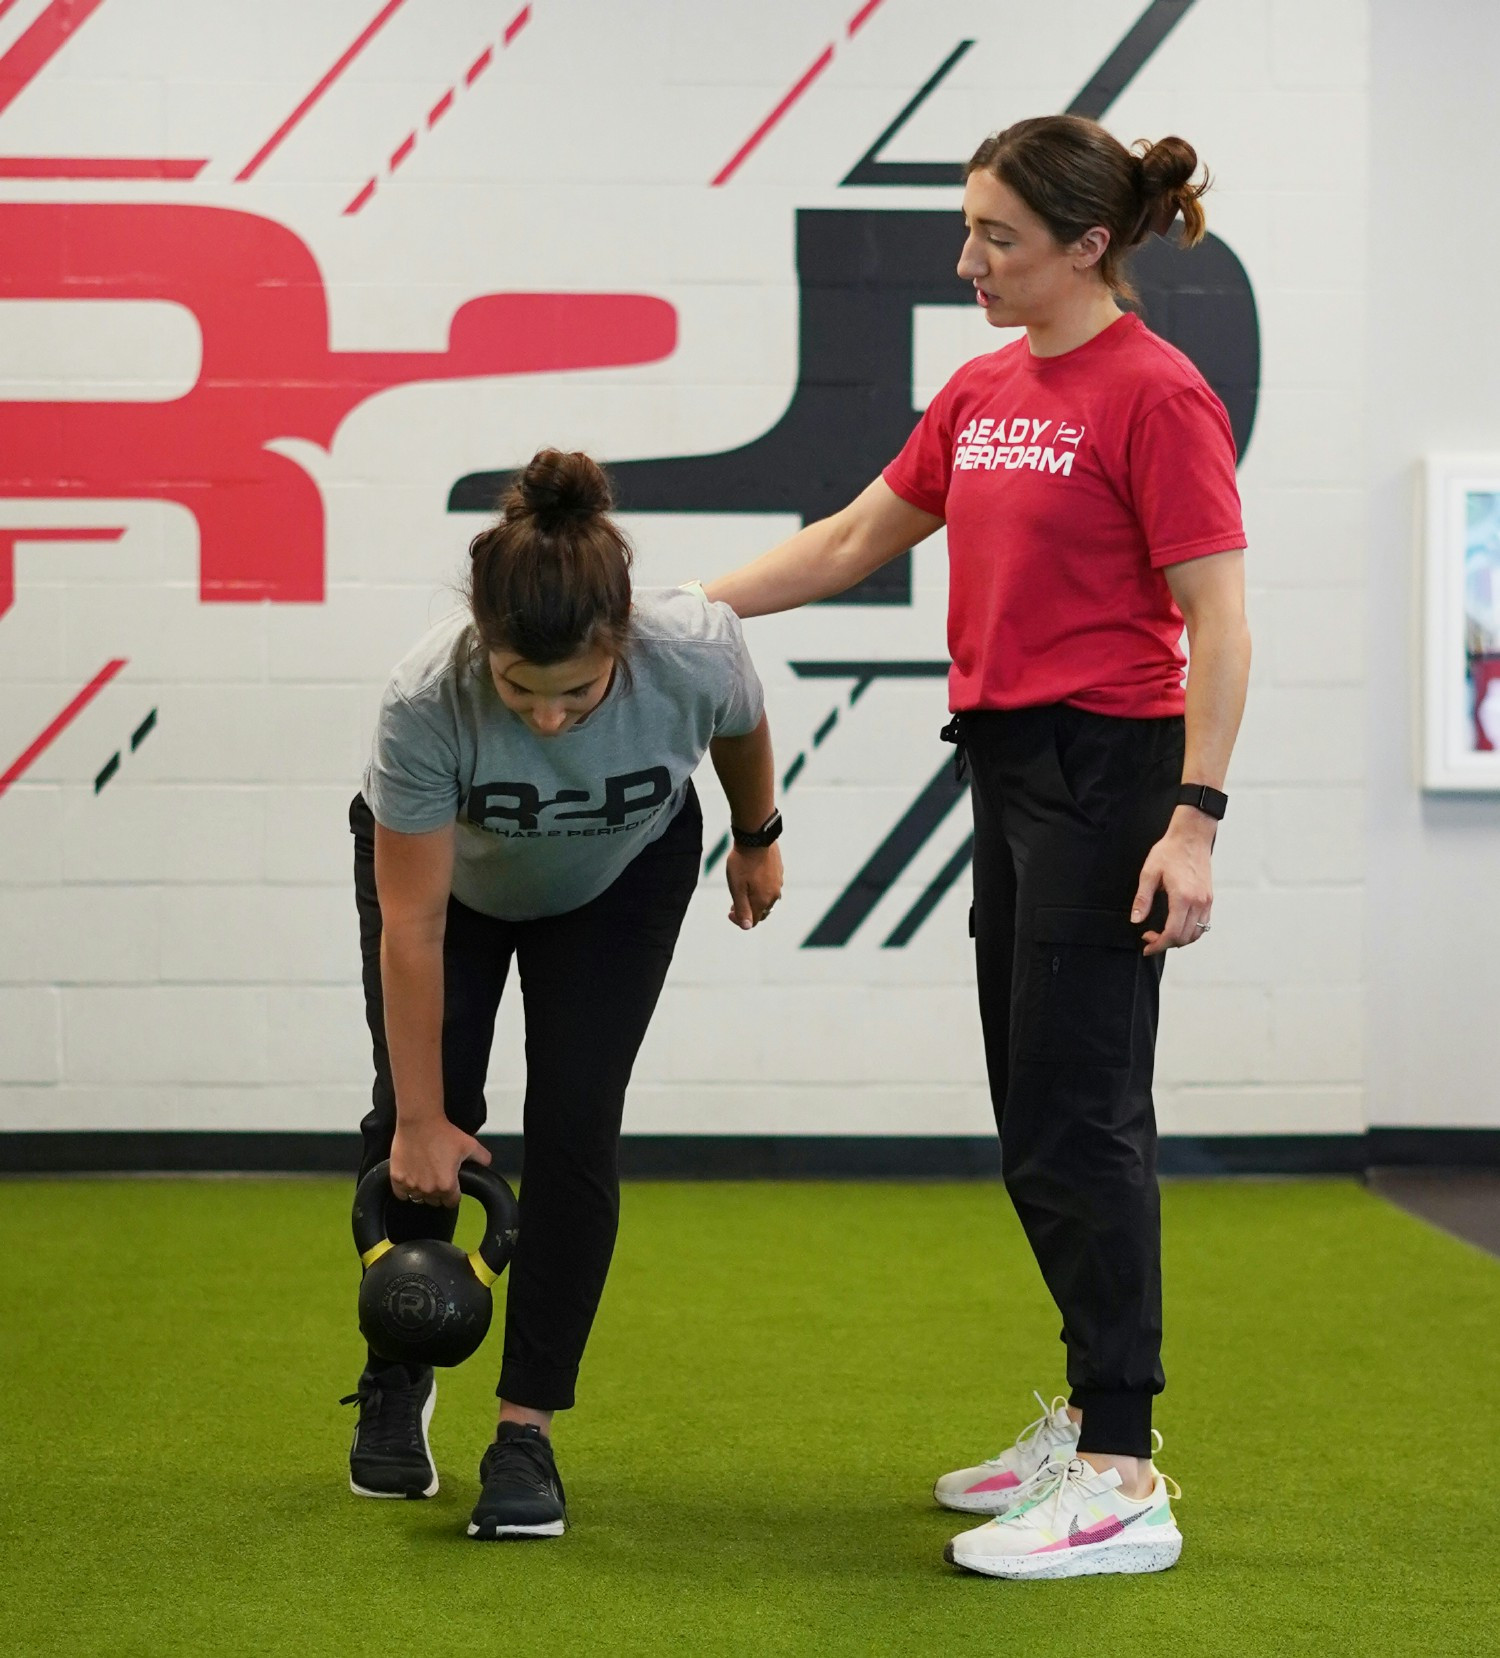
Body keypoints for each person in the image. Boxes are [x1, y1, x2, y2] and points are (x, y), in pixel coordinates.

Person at [706, 115, 1250, 1580]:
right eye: (969, 229)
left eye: (997, 237)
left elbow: (1219, 622)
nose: (968, 261)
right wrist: (677, 612)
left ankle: (1126, 1471)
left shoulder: (1159, 395)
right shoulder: (982, 388)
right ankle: (1087, 1410)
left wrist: (1192, 822)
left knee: (1085, 1116)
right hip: (1007, 762)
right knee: (1034, 1113)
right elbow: (841, 543)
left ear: (1089, 244)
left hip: (1111, 767)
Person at [342, 447, 784, 1540]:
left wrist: (758, 834)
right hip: (457, 893)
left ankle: (524, 1427)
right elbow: (415, 922)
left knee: (577, 1124)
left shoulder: (691, 645)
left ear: (621, 644)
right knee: (429, 1117)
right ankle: (400, 1361)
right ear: (483, 650)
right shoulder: (423, 701)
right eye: (519, 689)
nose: (546, 718)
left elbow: (740, 726)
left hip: (619, 876)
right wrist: (419, 1116)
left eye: (577, 693)